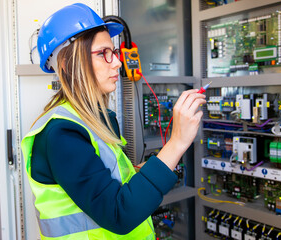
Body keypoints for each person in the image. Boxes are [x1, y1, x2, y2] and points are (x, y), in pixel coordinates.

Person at [21, 3, 206, 240]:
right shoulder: (61, 134)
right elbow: (118, 214)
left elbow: (106, 182)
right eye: (102, 53)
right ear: (68, 64)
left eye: (114, 52)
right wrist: (177, 142)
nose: (117, 63)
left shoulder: (100, 119)